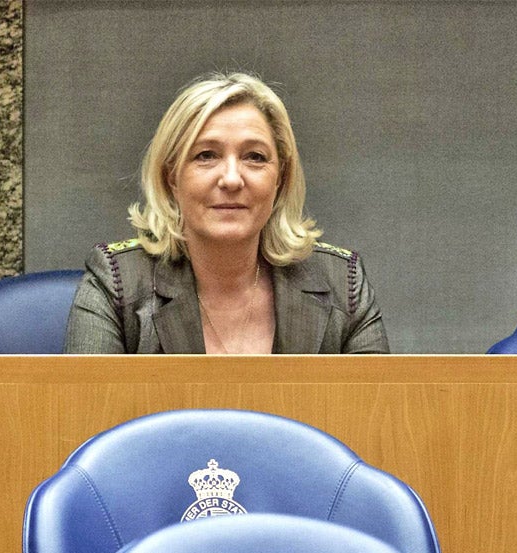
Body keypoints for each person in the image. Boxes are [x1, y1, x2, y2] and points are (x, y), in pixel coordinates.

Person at [65, 72, 388, 354]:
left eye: (255, 157)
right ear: (171, 177)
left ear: (281, 179)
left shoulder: (342, 283)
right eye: (206, 155)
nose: (232, 179)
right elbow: (90, 418)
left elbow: (375, 417)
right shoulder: (118, 281)